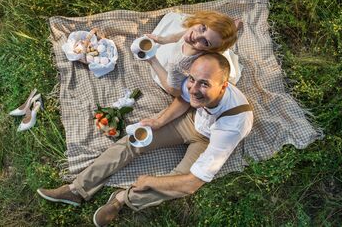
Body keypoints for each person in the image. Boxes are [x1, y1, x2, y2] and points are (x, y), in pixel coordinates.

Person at [37, 53, 253, 227]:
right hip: (192, 119)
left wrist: (150, 181)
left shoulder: (232, 126)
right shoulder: (195, 88)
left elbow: (192, 184)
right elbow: (185, 99)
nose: (194, 88)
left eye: (204, 84)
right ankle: (77, 190)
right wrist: (159, 122)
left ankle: (122, 199)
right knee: (137, 139)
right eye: (192, 79)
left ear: (224, 87)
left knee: (177, 182)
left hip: (208, 138)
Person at [145, 11, 242, 97]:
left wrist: (152, 59)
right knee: (224, 34)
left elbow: (174, 91)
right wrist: (161, 39)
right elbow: (180, 35)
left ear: (209, 50)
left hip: (186, 76)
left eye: (205, 42)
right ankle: (234, 28)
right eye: (203, 28)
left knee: (221, 48)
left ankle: (233, 29)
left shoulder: (178, 62)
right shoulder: (193, 34)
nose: (196, 36)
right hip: (213, 47)